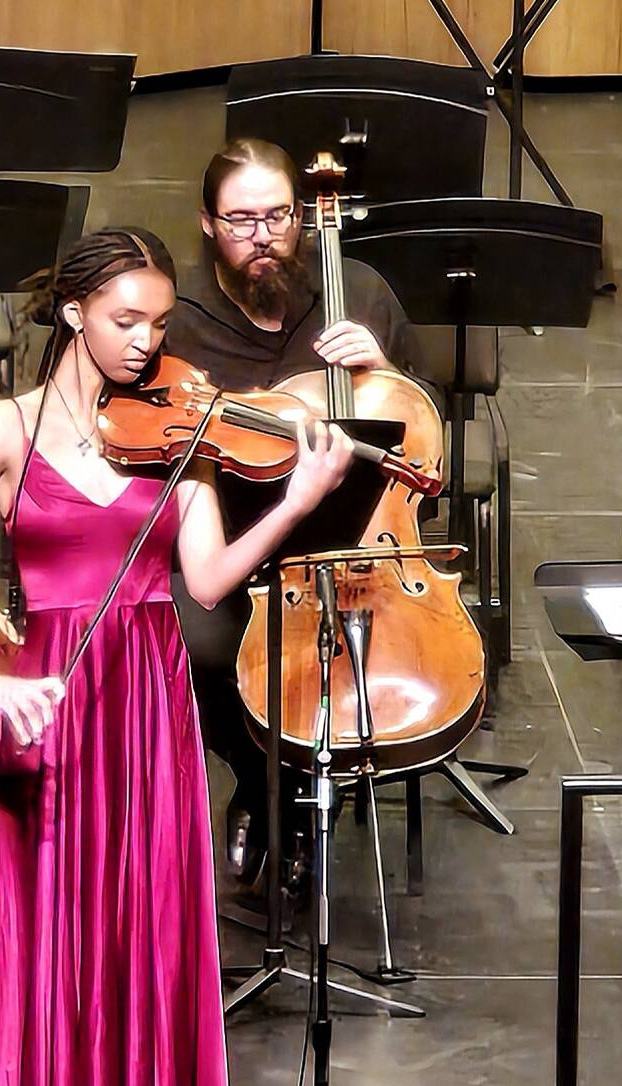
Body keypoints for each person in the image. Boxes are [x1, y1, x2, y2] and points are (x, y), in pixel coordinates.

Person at [0, 227, 355, 1086]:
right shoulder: (1, 427)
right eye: (125, 320)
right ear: (72, 313)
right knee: (34, 975)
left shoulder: (181, 429)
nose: (145, 341)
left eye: (156, 322)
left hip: (148, 714)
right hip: (45, 701)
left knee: (142, 969)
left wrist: (295, 502)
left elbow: (202, 582)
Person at [162, 136, 417, 881]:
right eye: (240, 221)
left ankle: (308, 778)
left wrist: (385, 368)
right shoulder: (176, 318)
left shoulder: (358, 289)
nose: (263, 236)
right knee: (189, 643)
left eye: (277, 215)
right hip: (233, 546)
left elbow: (421, 424)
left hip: (351, 541)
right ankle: (264, 776)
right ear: (208, 224)